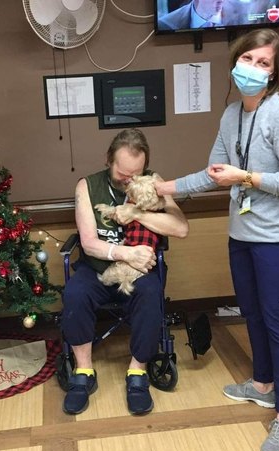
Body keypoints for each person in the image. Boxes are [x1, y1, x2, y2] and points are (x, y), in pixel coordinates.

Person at [155, 29, 279, 451]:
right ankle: (264, 385)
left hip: (277, 241)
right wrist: (162, 188)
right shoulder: (231, 113)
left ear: (274, 73)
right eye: (247, 58)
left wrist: (247, 178)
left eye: (263, 63)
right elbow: (213, 173)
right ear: (235, 61)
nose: (252, 68)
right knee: (250, 312)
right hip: (242, 236)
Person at [61, 128, 189, 416]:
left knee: (151, 291)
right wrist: (125, 253)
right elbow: (89, 244)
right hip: (97, 268)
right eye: (123, 173)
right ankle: (83, 371)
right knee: (75, 292)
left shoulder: (154, 181)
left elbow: (180, 228)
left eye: (136, 173)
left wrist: (138, 214)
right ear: (108, 160)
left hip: (138, 273)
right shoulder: (87, 186)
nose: (130, 180)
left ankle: (137, 372)